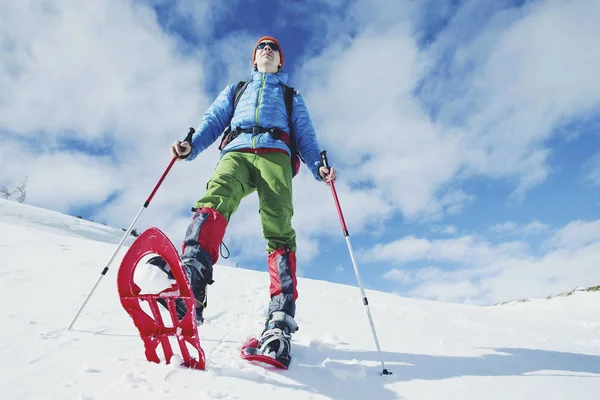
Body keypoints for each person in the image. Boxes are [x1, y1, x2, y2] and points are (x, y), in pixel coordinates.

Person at [159, 35, 335, 366]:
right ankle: (191, 282)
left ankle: (279, 322)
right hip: (236, 150)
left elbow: (307, 137)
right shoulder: (237, 90)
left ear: (280, 62)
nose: (266, 50)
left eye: (273, 48)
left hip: (276, 154)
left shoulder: (290, 96)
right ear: (254, 61)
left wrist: (319, 166)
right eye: (261, 48)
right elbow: (213, 120)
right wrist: (191, 146)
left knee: (278, 225)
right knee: (216, 198)